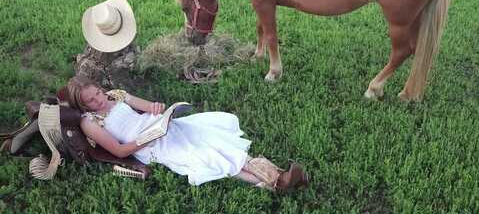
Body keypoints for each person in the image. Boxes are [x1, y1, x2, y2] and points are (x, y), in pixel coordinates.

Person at [66, 75, 308, 191]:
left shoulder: (115, 95)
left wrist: (160, 110)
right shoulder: (90, 122)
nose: (99, 100)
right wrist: (149, 137)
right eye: (91, 100)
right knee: (205, 157)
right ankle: (278, 183)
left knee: (215, 141)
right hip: (147, 145)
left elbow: (148, 106)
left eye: (97, 93)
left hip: (162, 127)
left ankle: (281, 176)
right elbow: (118, 150)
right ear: (83, 106)